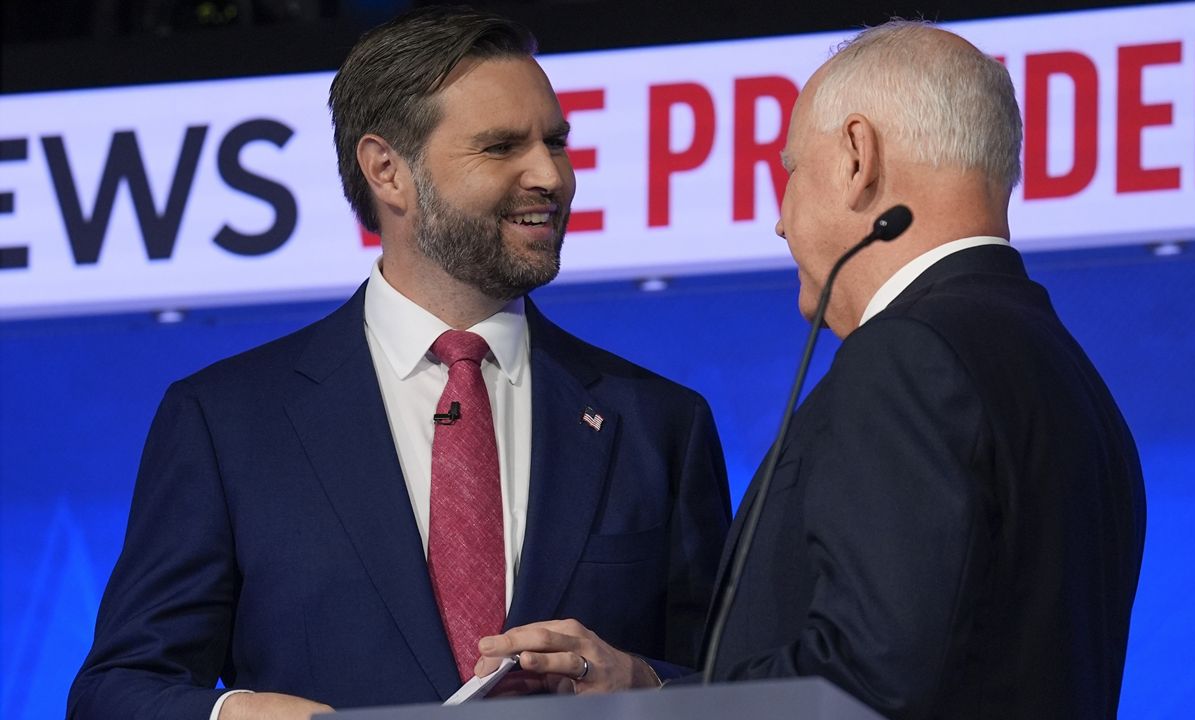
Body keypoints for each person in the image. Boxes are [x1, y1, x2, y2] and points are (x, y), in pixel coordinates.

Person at [66, 6, 730, 719]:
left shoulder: (659, 422)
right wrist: (233, 716)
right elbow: (117, 689)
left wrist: (647, 684)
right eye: (503, 147)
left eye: (557, 143)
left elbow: (736, 683)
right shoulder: (227, 423)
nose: (551, 175)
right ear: (388, 170)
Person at [476, 20, 1146, 719]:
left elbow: (862, 684)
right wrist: (655, 685)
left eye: (792, 170)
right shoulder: (1070, 377)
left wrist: (654, 711)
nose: (780, 222)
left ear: (859, 156)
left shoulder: (907, 357)